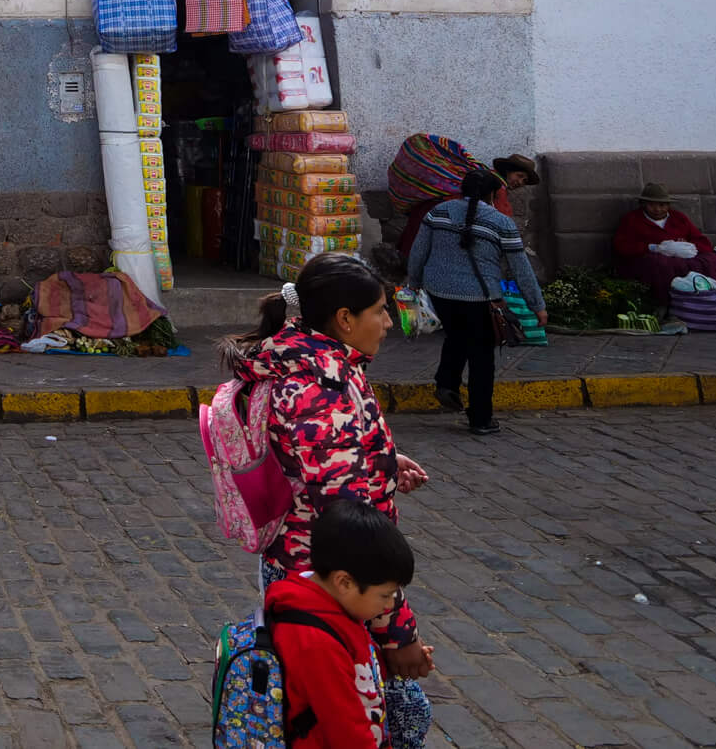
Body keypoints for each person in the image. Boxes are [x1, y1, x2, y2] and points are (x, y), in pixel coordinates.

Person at [224, 254, 434, 749]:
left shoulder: (318, 363)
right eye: (380, 311)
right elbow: (347, 536)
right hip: (320, 584)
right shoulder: (322, 386)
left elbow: (316, 459)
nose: (388, 323)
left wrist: (381, 460)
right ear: (344, 319)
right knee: (386, 721)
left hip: (300, 568)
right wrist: (397, 636)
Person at [265, 500, 416, 749]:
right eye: (384, 595)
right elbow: (346, 730)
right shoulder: (317, 644)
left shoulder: (333, 607)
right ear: (344, 582)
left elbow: (357, 668)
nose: (389, 605)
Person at [408, 168, 545, 436]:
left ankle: (446, 383)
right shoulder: (502, 222)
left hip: (439, 292)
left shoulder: (438, 212)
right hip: (480, 298)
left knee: (456, 335)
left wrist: (414, 282)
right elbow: (521, 268)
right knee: (482, 356)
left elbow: (418, 251)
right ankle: (481, 418)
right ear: (493, 194)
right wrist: (537, 305)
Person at [612, 182, 716, 323]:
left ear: (668, 206)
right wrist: (654, 247)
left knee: (714, 261)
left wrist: (687, 246)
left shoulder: (679, 218)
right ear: (643, 204)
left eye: (662, 205)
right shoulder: (632, 220)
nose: (657, 209)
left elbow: (703, 242)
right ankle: (665, 306)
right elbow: (622, 245)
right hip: (653, 258)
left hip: (685, 257)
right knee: (660, 264)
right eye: (652, 205)